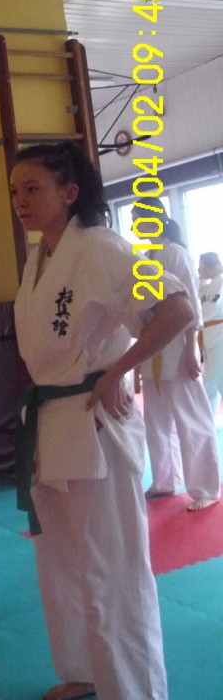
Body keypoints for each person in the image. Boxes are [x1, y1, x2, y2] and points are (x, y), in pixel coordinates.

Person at [9, 142, 196, 700]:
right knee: (61, 563)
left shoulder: (101, 247)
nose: (20, 201)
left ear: (70, 192)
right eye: (15, 191)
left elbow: (177, 308)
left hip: (94, 423)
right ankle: (83, 670)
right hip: (50, 422)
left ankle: (135, 690)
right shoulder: (41, 257)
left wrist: (118, 369)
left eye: (33, 188)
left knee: (112, 570)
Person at [131, 201, 220, 511]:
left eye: (139, 219)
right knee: (156, 421)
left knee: (191, 418)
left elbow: (191, 305)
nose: (135, 226)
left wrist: (193, 350)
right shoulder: (146, 257)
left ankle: (206, 488)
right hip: (153, 347)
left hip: (179, 347)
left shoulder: (176, 254)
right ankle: (165, 480)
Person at [198, 251, 223, 416]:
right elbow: (198, 293)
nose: (198, 270)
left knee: (218, 380)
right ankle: (208, 423)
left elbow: (208, 311)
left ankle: (208, 422)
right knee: (209, 384)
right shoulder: (210, 285)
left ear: (210, 266)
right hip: (210, 339)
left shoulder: (220, 282)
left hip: (218, 338)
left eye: (201, 266)